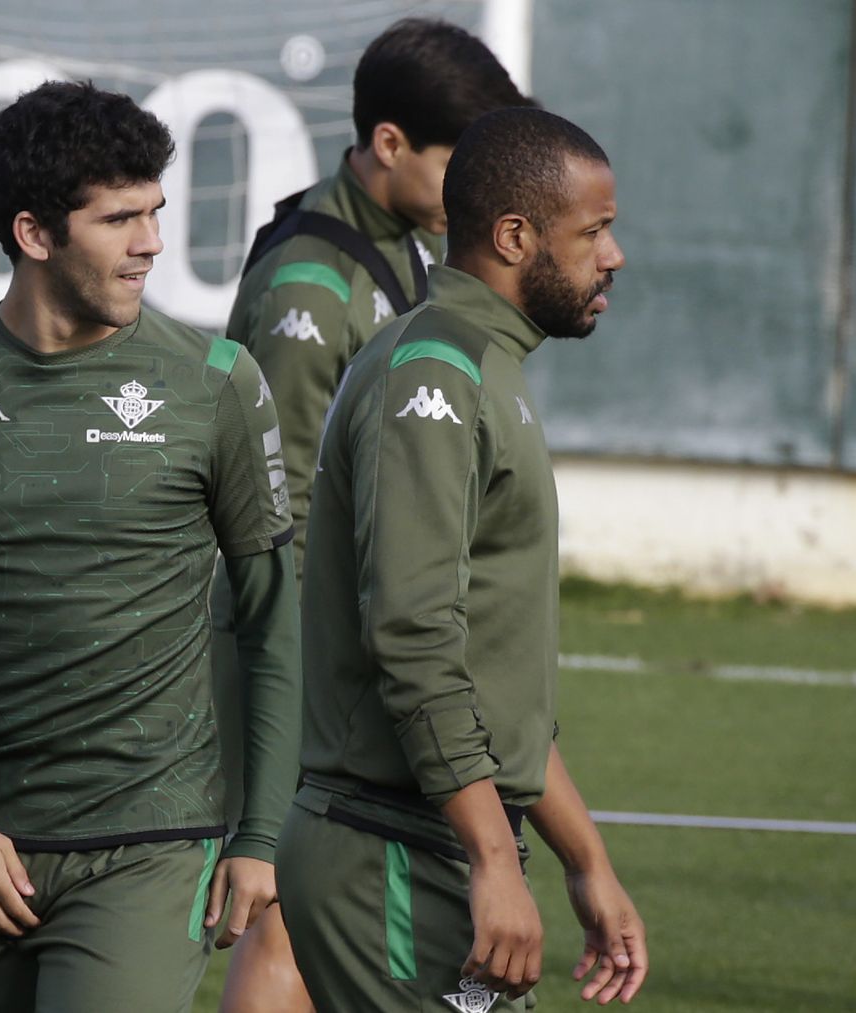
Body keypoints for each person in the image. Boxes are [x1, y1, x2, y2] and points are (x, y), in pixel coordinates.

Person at [0, 81, 301, 1013]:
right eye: (121, 219)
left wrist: (262, 835)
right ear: (35, 234)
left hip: (151, 839)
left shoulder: (214, 382)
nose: (152, 242)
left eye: (154, 212)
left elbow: (275, 619)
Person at [275, 106, 647, 1011]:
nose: (614, 256)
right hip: (392, 848)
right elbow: (411, 636)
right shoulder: (435, 372)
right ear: (516, 236)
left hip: (428, 836)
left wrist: (584, 860)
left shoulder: (483, 361)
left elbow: (490, 675)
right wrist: (492, 857)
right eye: (594, 231)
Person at [213, 21, 531, 1010]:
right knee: (283, 911)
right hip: (301, 648)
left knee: (302, 916)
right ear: (388, 144)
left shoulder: (390, 245)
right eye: (458, 164)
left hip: (337, 645)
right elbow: (275, 507)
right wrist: (326, 671)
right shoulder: (310, 286)